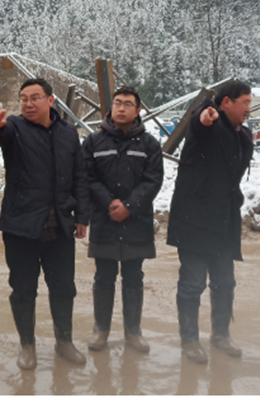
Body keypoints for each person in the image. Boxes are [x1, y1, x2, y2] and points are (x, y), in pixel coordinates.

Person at [0, 78, 90, 370]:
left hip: (60, 227)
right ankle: (27, 346)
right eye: (23, 99)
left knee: (64, 288)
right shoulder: (15, 128)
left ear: (50, 100)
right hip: (21, 227)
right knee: (23, 290)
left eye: (34, 98)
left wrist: (82, 216)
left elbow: (80, 176)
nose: (28, 104)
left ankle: (64, 341)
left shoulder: (68, 133)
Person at [166, 81, 254, 364]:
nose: (249, 109)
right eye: (245, 103)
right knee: (192, 283)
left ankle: (221, 334)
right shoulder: (210, 123)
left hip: (224, 222)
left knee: (225, 283)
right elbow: (201, 118)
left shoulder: (242, 134)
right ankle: (190, 340)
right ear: (226, 102)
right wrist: (204, 113)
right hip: (195, 220)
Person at [82, 86, 163, 354]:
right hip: (104, 220)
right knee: (103, 277)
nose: (121, 108)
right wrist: (109, 202)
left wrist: (129, 206)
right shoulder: (93, 142)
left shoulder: (149, 144)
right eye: (117, 102)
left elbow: (153, 180)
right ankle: (101, 330)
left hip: (136, 221)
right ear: (111, 107)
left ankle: (133, 332)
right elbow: (87, 177)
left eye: (128, 104)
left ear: (137, 111)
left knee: (133, 277)